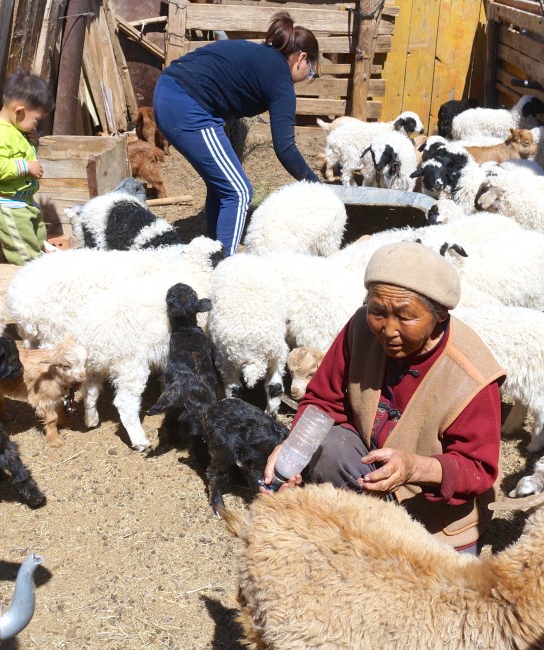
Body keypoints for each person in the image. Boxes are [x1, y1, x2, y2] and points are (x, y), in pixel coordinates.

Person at [263, 242, 506, 554]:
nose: (388, 329)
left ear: (439, 316)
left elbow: (477, 468)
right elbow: (324, 401)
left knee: (435, 589)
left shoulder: (471, 376)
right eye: (378, 312)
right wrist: (293, 449)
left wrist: (413, 468)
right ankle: (359, 530)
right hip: (371, 473)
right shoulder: (360, 330)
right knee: (329, 445)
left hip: (436, 513)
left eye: (405, 317)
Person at [153, 11, 321, 255]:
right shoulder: (280, 79)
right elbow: (285, 148)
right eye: (311, 71)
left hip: (169, 91)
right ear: (301, 58)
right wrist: (316, 186)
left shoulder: (260, 55)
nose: (308, 76)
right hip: (186, 106)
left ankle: (214, 246)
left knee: (223, 183)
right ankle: (224, 267)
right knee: (240, 191)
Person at [0, 70, 54, 265]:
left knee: (36, 237)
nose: (36, 124)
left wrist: (32, 143)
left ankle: (40, 264)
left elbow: (17, 151)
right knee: (23, 252)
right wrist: (26, 166)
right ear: (19, 111)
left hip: (24, 201)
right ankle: (30, 282)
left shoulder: (15, 129)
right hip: (8, 205)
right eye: (37, 119)